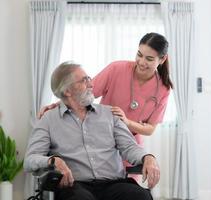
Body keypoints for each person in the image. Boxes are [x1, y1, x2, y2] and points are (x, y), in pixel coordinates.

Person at [24, 62, 160, 200]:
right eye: (84, 80)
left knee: (140, 196)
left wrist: (147, 157)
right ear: (67, 91)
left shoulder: (110, 114)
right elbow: (30, 160)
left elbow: (129, 147)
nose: (91, 84)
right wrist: (53, 161)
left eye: (89, 78)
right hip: (75, 187)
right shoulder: (48, 120)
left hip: (114, 184)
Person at [39, 32, 173, 147]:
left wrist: (126, 122)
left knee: (130, 177)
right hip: (102, 139)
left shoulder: (163, 89)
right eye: (139, 54)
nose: (142, 62)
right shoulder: (116, 69)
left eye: (149, 59)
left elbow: (150, 129)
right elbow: (84, 94)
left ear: (162, 59)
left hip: (130, 143)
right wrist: (55, 105)